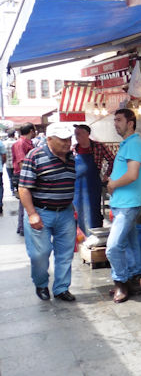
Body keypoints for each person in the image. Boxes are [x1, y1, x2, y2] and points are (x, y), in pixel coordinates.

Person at [18, 123, 76, 302]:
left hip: (65, 213)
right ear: (49, 139)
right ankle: (41, 283)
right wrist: (31, 214)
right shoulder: (35, 156)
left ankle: (61, 288)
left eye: (69, 139)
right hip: (41, 212)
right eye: (63, 140)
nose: (67, 143)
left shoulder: (71, 158)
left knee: (65, 254)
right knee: (40, 254)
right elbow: (24, 188)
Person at [106, 109, 141, 303]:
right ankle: (133, 281)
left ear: (131, 123)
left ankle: (120, 282)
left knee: (113, 247)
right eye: (114, 120)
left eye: (119, 120)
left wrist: (113, 184)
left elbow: (132, 175)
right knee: (131, 244)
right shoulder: (128, 144)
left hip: (127, 204)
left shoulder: (133, 144)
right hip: (123, 203)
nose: (115, 124)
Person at [72, 124, 115, 235]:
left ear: (87, 134)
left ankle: (95, 235)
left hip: (93, 184)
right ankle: (82, 235)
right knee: (79, 211)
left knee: (93, 210)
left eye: (79, 133)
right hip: (77, 186)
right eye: (75, 134)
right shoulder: (73, 149)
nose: (76, 136)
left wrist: (107, 175)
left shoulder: (99, 146)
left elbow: (113, 160)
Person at [13, 123, 36, 236]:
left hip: (27, 174)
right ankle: (23, 227)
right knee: (25, 201)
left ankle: (22, 226)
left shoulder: (27, 142)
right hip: (24, 175)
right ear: (31, 131)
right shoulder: (20, 143)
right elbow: (21, 162)